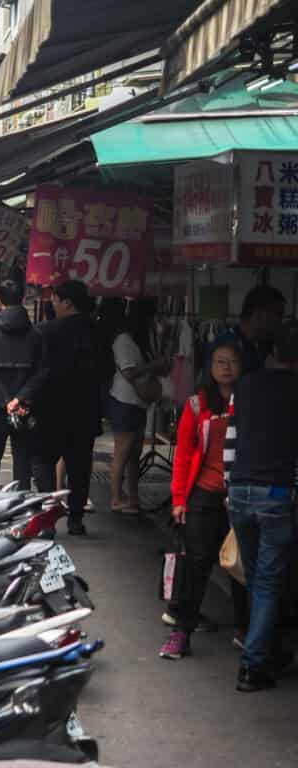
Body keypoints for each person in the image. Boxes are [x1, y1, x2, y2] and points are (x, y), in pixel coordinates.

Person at [158, 340, 246, 660]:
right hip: (204, 493)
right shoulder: (197, 405)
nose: (226, 367)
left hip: (239, 494)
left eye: (232, 361)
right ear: (210, 367)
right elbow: (182, 454)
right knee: (196, 562)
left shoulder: (249, 401)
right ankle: (181, 631)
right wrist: (179, 498)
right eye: (220, 361)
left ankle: (245, 630)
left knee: (239, 565)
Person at [224, 321, 298, 692]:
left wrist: (228, 487)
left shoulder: (245, 386)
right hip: (276, 495)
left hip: (239, 491)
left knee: (257, 580)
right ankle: (253, 666)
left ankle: (266, 651)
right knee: (268, 583)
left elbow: (231, 441)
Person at [31, 281, 101, 535]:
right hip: (86, 411)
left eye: (56, 299)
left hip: (51, 409)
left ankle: (48, 518)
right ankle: (76, 520)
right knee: (80, 467)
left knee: (41, 461)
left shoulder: (46, 331)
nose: (52, 303)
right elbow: (107, 371)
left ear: (67, 302)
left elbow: (38, 370)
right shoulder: (98, 331)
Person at [0, 280, 48, 490]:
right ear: (22, 299)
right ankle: (22, 510)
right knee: (22, 464)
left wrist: (5, 400)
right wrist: (19, 398)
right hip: (25, 408)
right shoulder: (35, 334)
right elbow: (42, 371)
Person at [107, 301, 168, 514]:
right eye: (151, 318)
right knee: (122, 451)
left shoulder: (138, 340)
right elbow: (129, 372)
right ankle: (116, 498)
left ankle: (131, 496)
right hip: (124, 401)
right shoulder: (123, 340)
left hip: (137, 402)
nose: (154, 322)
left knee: (134, 453)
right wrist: (155, 365)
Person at [213, 285, 285, 374]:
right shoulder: (225, 345)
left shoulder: (259, 345)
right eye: (278, 315)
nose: (280, 322)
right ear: (258, 315)